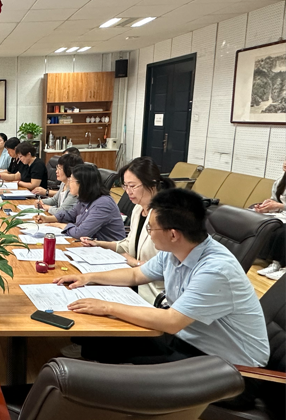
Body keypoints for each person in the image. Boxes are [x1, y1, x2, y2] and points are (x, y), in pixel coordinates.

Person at [54, 188, 270, 371]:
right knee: (104, 343)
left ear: (173, 234)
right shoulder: (175, 250)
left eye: (151, 228)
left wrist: (106, 306)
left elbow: (171, 321)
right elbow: (135, 274)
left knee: (122, 369)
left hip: (231, 367)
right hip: (187, 341)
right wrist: (87, 277)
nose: (148, 232)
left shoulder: (216, 269)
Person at [81, 157, 175, 301]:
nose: (128, 191)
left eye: (132, 186)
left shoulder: (164, 216)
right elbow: (128, 244)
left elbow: (166, 267)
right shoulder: (138, 209)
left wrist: (133, 262)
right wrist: (99, 243)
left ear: (152, 184)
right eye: (125, 186)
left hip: (154, 292)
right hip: (132, 283)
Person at [35, 163, 125, 241]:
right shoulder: (85, 198)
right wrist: (47, 219)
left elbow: (80, 232)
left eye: (71, 180)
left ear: (82, 184)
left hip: (108, 251)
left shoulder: (102, 204)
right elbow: (70, 215)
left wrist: (61, 226)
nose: (69, 184)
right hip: (90, 245)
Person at [255, 158, 286, 280]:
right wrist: (266, 208)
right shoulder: (280, 180)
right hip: (283, 215)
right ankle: (274, 262)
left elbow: (280, 205)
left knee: (282, 231)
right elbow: (275, 200)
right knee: (257, 218)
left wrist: (279, 206)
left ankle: (282, 266)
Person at [36, 153, 83, 217]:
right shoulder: (63, 183)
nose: (56, 171)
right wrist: (41, 202)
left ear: (69, 170)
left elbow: (62, 211)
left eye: (60, 169)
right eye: (57, 168)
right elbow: (54, 200)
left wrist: (49, 208)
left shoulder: (74, 188)